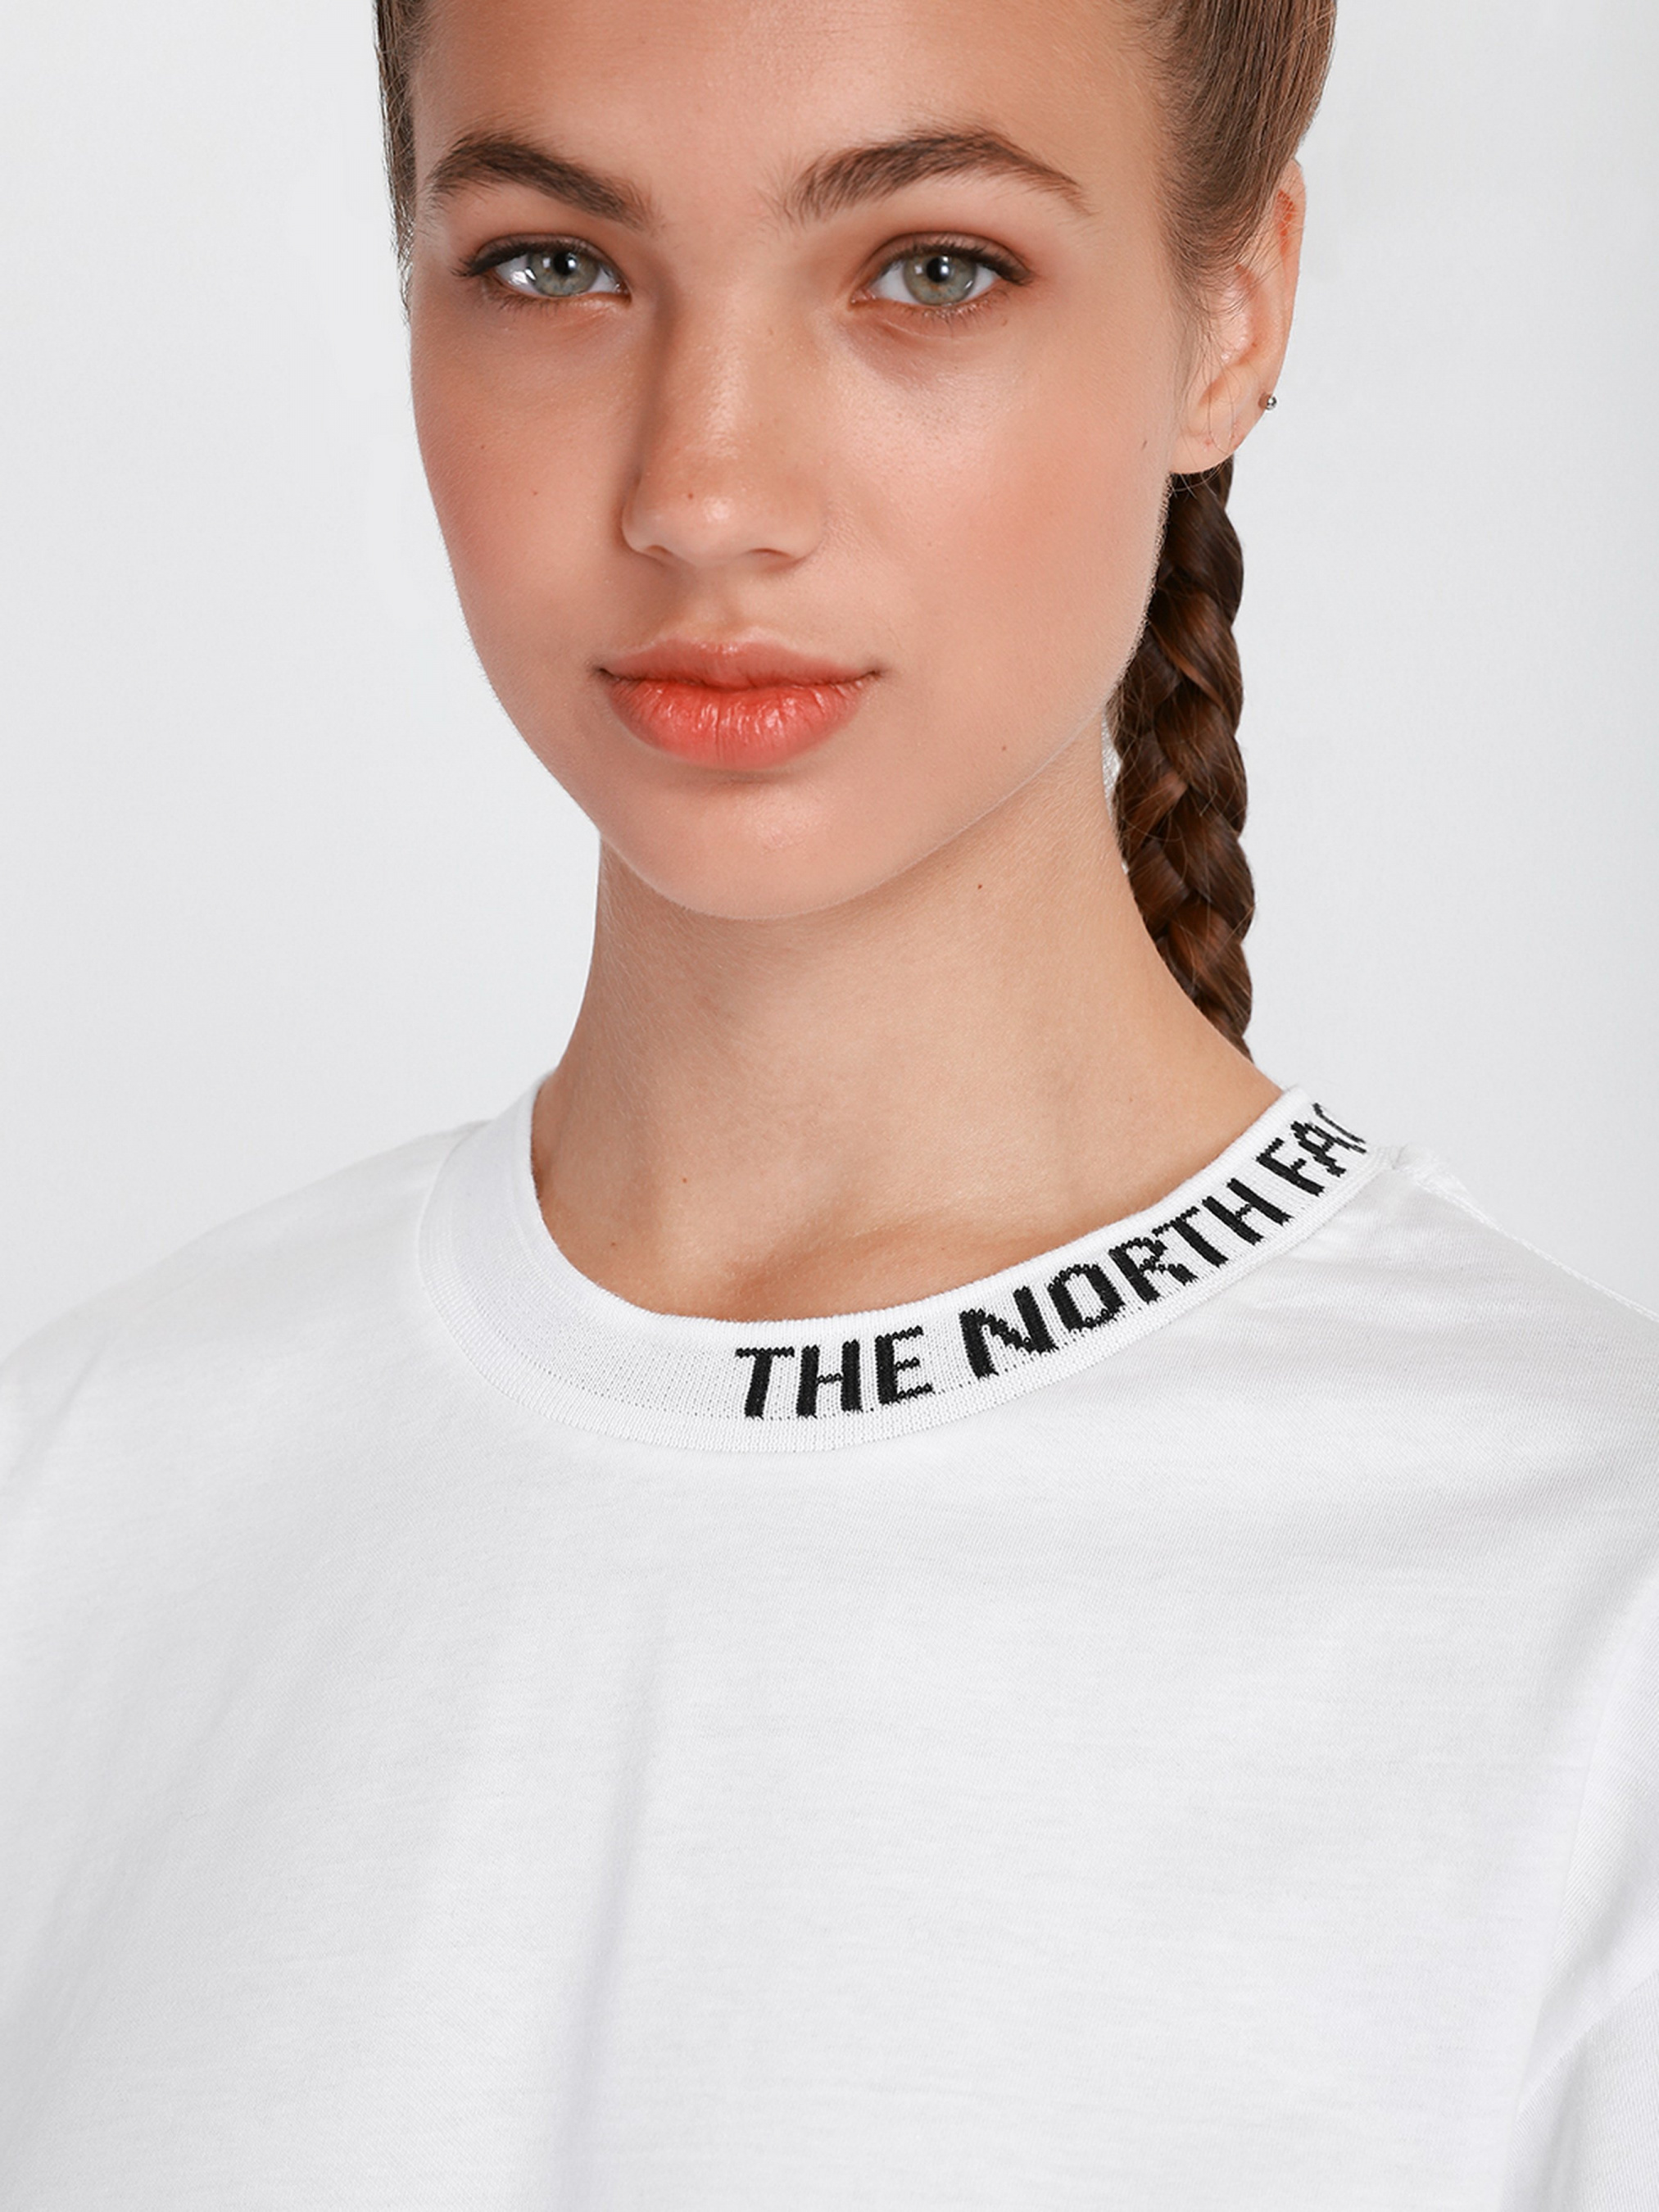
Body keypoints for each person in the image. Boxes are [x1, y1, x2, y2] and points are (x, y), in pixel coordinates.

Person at [1, 0, 1654, 2201]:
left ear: (1232, 315)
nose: (705, 491)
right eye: (555, 264)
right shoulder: (74, 1515)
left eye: (931, 268)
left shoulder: (1593, 1632)